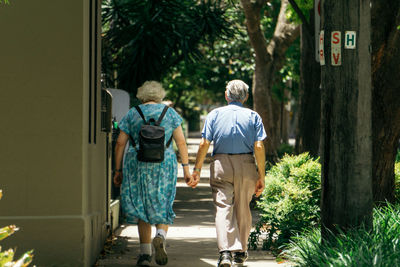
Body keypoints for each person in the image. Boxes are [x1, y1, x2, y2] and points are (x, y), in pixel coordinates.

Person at [113, 81, 196, 267]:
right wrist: (186, 169)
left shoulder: (133, 113)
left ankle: (144, 255)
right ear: (160, 95)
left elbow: (120, 143)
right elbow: (181, 143)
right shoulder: (170, 114)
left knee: (142, 205)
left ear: (141, 95)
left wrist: (117, 170)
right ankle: (160, 236)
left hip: (137, 163)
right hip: (164, 164)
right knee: (162, 201)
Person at [192, 80, 266, 267]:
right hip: (246, 164)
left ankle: (224, 252)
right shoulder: (253, 116)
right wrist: (261, 175)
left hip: (221, 164)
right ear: (246, 97)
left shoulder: (214, 114)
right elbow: (258, 145)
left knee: (223, 208)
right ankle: (240, 252)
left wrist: (197, 170)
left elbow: (204, 144)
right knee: (243, 207)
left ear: (226, 96)